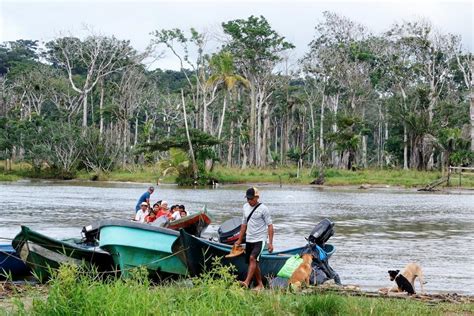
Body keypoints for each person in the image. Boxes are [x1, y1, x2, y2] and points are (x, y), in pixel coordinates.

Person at [235, 187, 273, 290]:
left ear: (257, 197)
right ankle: (260, 284)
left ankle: (246, 282)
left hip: (260, 239)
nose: (249, 201)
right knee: (254, 262)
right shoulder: (245, 207)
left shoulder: (263, 209)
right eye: (248, 198)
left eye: (251, 199)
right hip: (249, 239)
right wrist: (239, 240)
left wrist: (270, 243)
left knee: (252, 258)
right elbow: (244, 225)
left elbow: (270, 226)